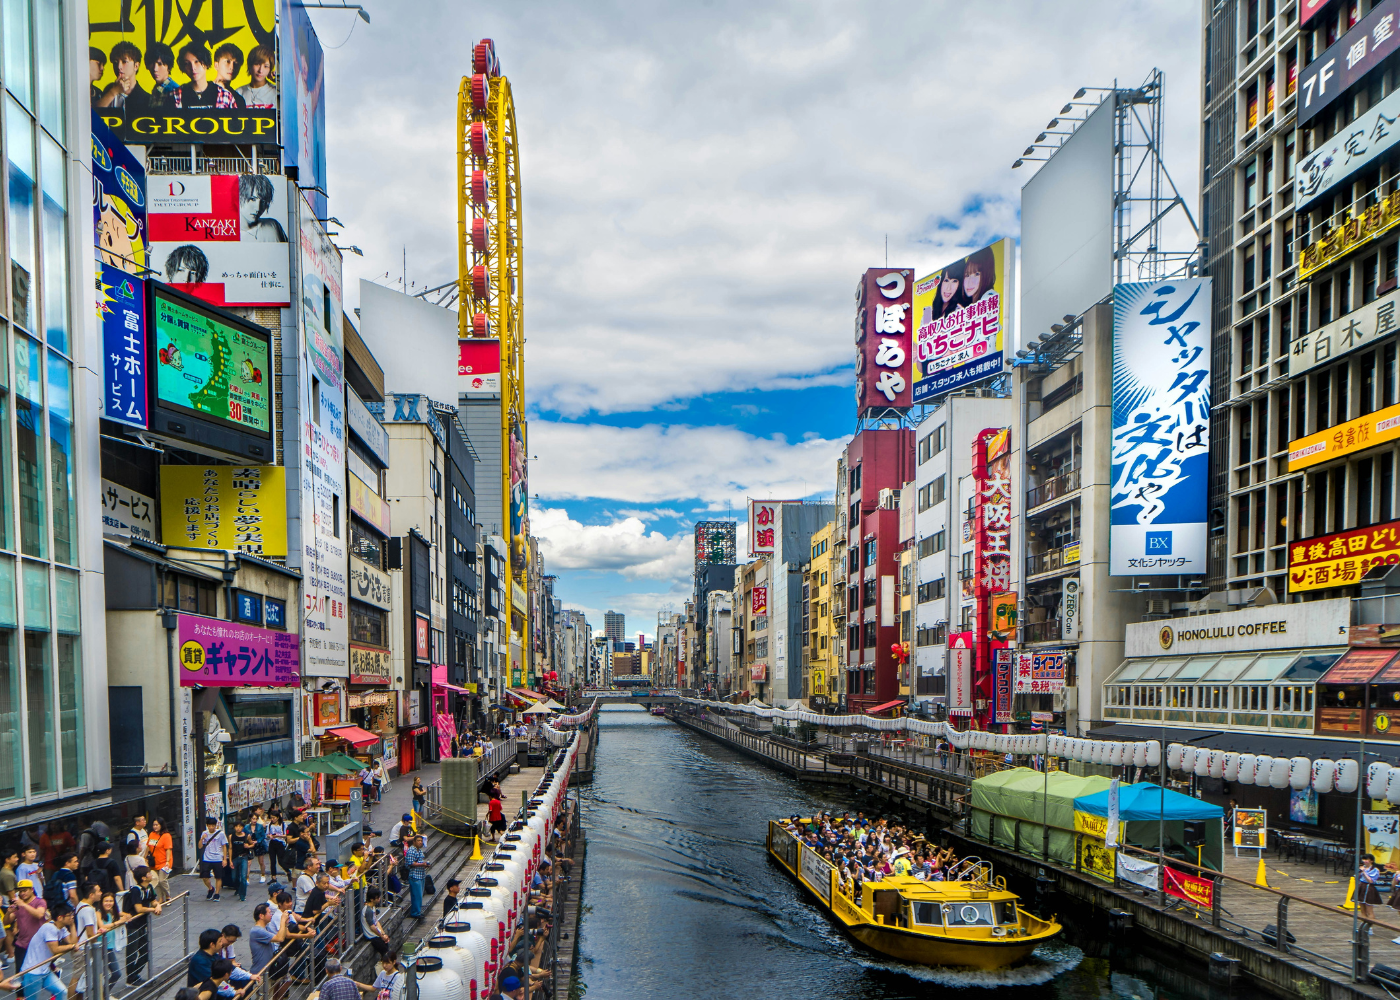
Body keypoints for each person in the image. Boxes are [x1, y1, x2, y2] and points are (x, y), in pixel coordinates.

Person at [20, 903, 75, 1000]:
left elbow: (73, 941)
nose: (72, 916)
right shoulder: (49, 928)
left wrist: (73, 924)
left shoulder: (61, 928)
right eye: (69, 915)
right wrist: (72, 946)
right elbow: (55, 949)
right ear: (60, 918)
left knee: (62, 992)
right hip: (32, 972)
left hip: (45, 970)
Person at [122, 866, 160, 986]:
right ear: (143, 877)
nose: (151, 874)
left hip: (142, 924)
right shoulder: (136, 890)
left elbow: (153, 899)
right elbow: (138, 908)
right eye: (149, 873)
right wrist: (153, 909)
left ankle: (134, 975)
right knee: (132, 952)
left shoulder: (149, 887)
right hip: (133, 924)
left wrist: (157, 905)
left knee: (145, 952)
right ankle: (131, 978)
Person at [174, 42, 238, 109]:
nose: (193, 67)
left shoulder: (225, 95)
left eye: (197, 61)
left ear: (206, 63)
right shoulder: (176, 95)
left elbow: (235, 118)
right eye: (187, 63)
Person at [97, 40, 147, 110]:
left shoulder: (145, 98)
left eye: (124, 62)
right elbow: (94, 115)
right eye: (115, 62)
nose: (119, 66)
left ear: (136, 66)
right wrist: (114, 91)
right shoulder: (109, 90)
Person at [237, 175, 286, 243]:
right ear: (239, 198)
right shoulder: (226, 234)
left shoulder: (273, 226)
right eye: (252, 199)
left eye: (263, 201)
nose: (258, 208)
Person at [94, 892, 127, 988]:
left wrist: (126, 916)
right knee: (115, 973)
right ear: (101, 902)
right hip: (101, 946)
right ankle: (104, 994)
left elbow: (121, 914)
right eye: (106, 901)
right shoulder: (98, 912)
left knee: (103, 973)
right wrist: (118, 922)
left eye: (111, 901)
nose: (108, 903)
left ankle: (104, 994)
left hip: (109, 946)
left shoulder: (111, 911)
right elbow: (102, 926)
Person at [11, 881, 45, 973]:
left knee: (38, 972)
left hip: (38, 945)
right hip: (21, 944)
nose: (22, 893)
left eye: (25, 890)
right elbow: (8, 920)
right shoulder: (18, 904)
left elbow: (39, 914)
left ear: (32, 890)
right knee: (20, 973)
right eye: (20, 891)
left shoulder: (40, 902)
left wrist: (23, 905)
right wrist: (8, 912)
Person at [199, 817, 229, 902]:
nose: (211, 827)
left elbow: (224, 846)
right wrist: (202, 838)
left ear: (215, 825)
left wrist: (225, 859)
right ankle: (210, 888)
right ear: (207, 826)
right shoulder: (204, 833)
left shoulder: (221, 834)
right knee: (204, 876)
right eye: (209, 825)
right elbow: (200, 846)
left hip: (218, 858)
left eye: (213, 825)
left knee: (218, 877)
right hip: (207, 858)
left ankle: (217, 893)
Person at [247, 904, 280, 975]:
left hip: (268, 971)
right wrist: (283, 921)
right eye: (269, 913)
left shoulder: (266, 927)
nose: (271, 915)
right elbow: (279, 938)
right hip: (260, 973)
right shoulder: (257, 931)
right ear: (261, 916)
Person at [211, 42, 247, 108]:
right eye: (227, 61)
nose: (232, 67)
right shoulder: (203, 90)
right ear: (216, 65)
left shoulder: (239, 99)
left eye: (236, 63)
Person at [146, 819, 173, 903]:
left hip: (164, 862)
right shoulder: (151, 834)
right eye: (154, 825)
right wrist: (145, 858)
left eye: (157, 825)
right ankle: (161, 898)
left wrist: (167, 862)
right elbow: (148, 847)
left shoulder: (166, 836)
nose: (155, 827)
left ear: (161, 825)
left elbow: (168, 849)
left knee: (162, 880)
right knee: (156, 881)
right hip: (154, 862)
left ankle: (168, 896)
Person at [144, 43, 178, 107]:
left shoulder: (174, 91)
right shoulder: (156, 89)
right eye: (152, 63)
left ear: (169, 67)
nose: (155, 69)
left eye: (160, 64)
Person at [360, 888, 390, 956]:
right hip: (371, 936)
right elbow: (372, 927)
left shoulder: (373, 907)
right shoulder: (368, 911)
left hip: (376, 934)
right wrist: (382, 936)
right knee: (385, 951)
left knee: (386, 945)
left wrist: (383, 934)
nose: (379, 899)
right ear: (372, 899)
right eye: (377, 898)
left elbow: (376, 922)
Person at [230, 822, 254, 903]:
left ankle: (242, 895)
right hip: (234, 858)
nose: (238, 828)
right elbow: (230, 848)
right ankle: (237, 888)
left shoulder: (247, 836)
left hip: (244, 857)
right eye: (236, 826)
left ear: (243, 828)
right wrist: (229, 860)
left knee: (243, 877)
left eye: (240, 827)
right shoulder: (231, 836)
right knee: (234, 877)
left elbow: (252, 844)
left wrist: (248, 846)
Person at [404, 835, 427, 918]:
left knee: (419, 895)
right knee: (416, 895)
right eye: (418, 840)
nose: (420, 842)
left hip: (421, 875)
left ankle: (418, 911)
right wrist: (422, 864)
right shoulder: (411, 850)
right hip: (414, 876)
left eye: (421, 840)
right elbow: (410, 863)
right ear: (414, 842)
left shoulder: (419, 850)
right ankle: (415, 912)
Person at [1359, 853, 1384, 922]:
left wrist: (1364, 872)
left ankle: (1369, 927)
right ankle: (1363, 925)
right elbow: (1357, 878)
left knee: (1369, 910)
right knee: (1362, 909)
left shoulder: (1375, 870)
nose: (1364, 861)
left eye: (1366, 859)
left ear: (1371, 861)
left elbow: (1370, 880)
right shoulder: (1362, 868)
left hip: (1369, 888)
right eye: (1364, 859)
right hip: (1361, 887)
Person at [248, 808, 269, 884]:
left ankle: (263, 875)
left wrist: (258, 841)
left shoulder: (260, 826)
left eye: (256, 819)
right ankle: (247, 877)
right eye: (253, 819)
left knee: (261, 861)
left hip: (259, 844)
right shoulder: (247, 827)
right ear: (250, 819)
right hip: (250, 844)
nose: (254, 820)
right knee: (248, 862)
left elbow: (263, 835)